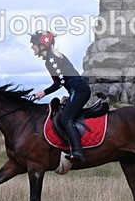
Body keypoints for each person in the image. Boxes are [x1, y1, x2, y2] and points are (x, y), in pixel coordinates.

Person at [30, 31, 90, 162]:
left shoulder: (52, 60)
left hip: (79, 91)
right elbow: (59, 81)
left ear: (42, 45)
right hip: (77, 91)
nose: (32, 47)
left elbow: (60, 82)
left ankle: (78, 152)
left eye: (33, 44)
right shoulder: (50, 59)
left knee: (66, 119)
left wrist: (43, 92)